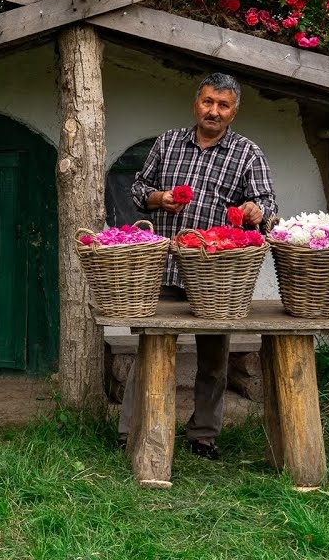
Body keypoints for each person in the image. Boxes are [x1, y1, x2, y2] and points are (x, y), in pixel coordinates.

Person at [119, 72, 277, 461]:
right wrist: (159, 197)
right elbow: (138, 190)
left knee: (213, 358)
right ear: (196, 103)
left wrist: (256, 211)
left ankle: (203, 434)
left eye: (223, 105)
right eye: (208, 102)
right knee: (151, 349)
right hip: (168, 267)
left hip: (218, 275)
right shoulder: (167, 143)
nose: (214, 111)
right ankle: (132, 429)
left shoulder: (248, 153)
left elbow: (269, 208)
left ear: (234, 112)